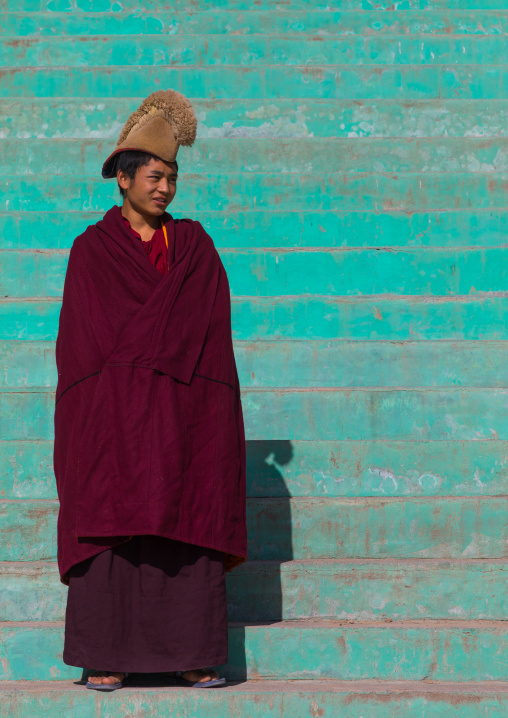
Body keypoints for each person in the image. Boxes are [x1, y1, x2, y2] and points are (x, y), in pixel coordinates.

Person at [53, 89, 247, 691]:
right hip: (112, 415)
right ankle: (105, 656)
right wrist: (118, 395)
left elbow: (211, 335)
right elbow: (82, 345)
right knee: (111, 521)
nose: (164, 188)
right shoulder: (92, 251)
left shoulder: (195, 249)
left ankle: (192, 655)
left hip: (183, 409)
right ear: (124, 180)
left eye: (171, 178)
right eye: (154, 177)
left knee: (186, 520)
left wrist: (161, 383)